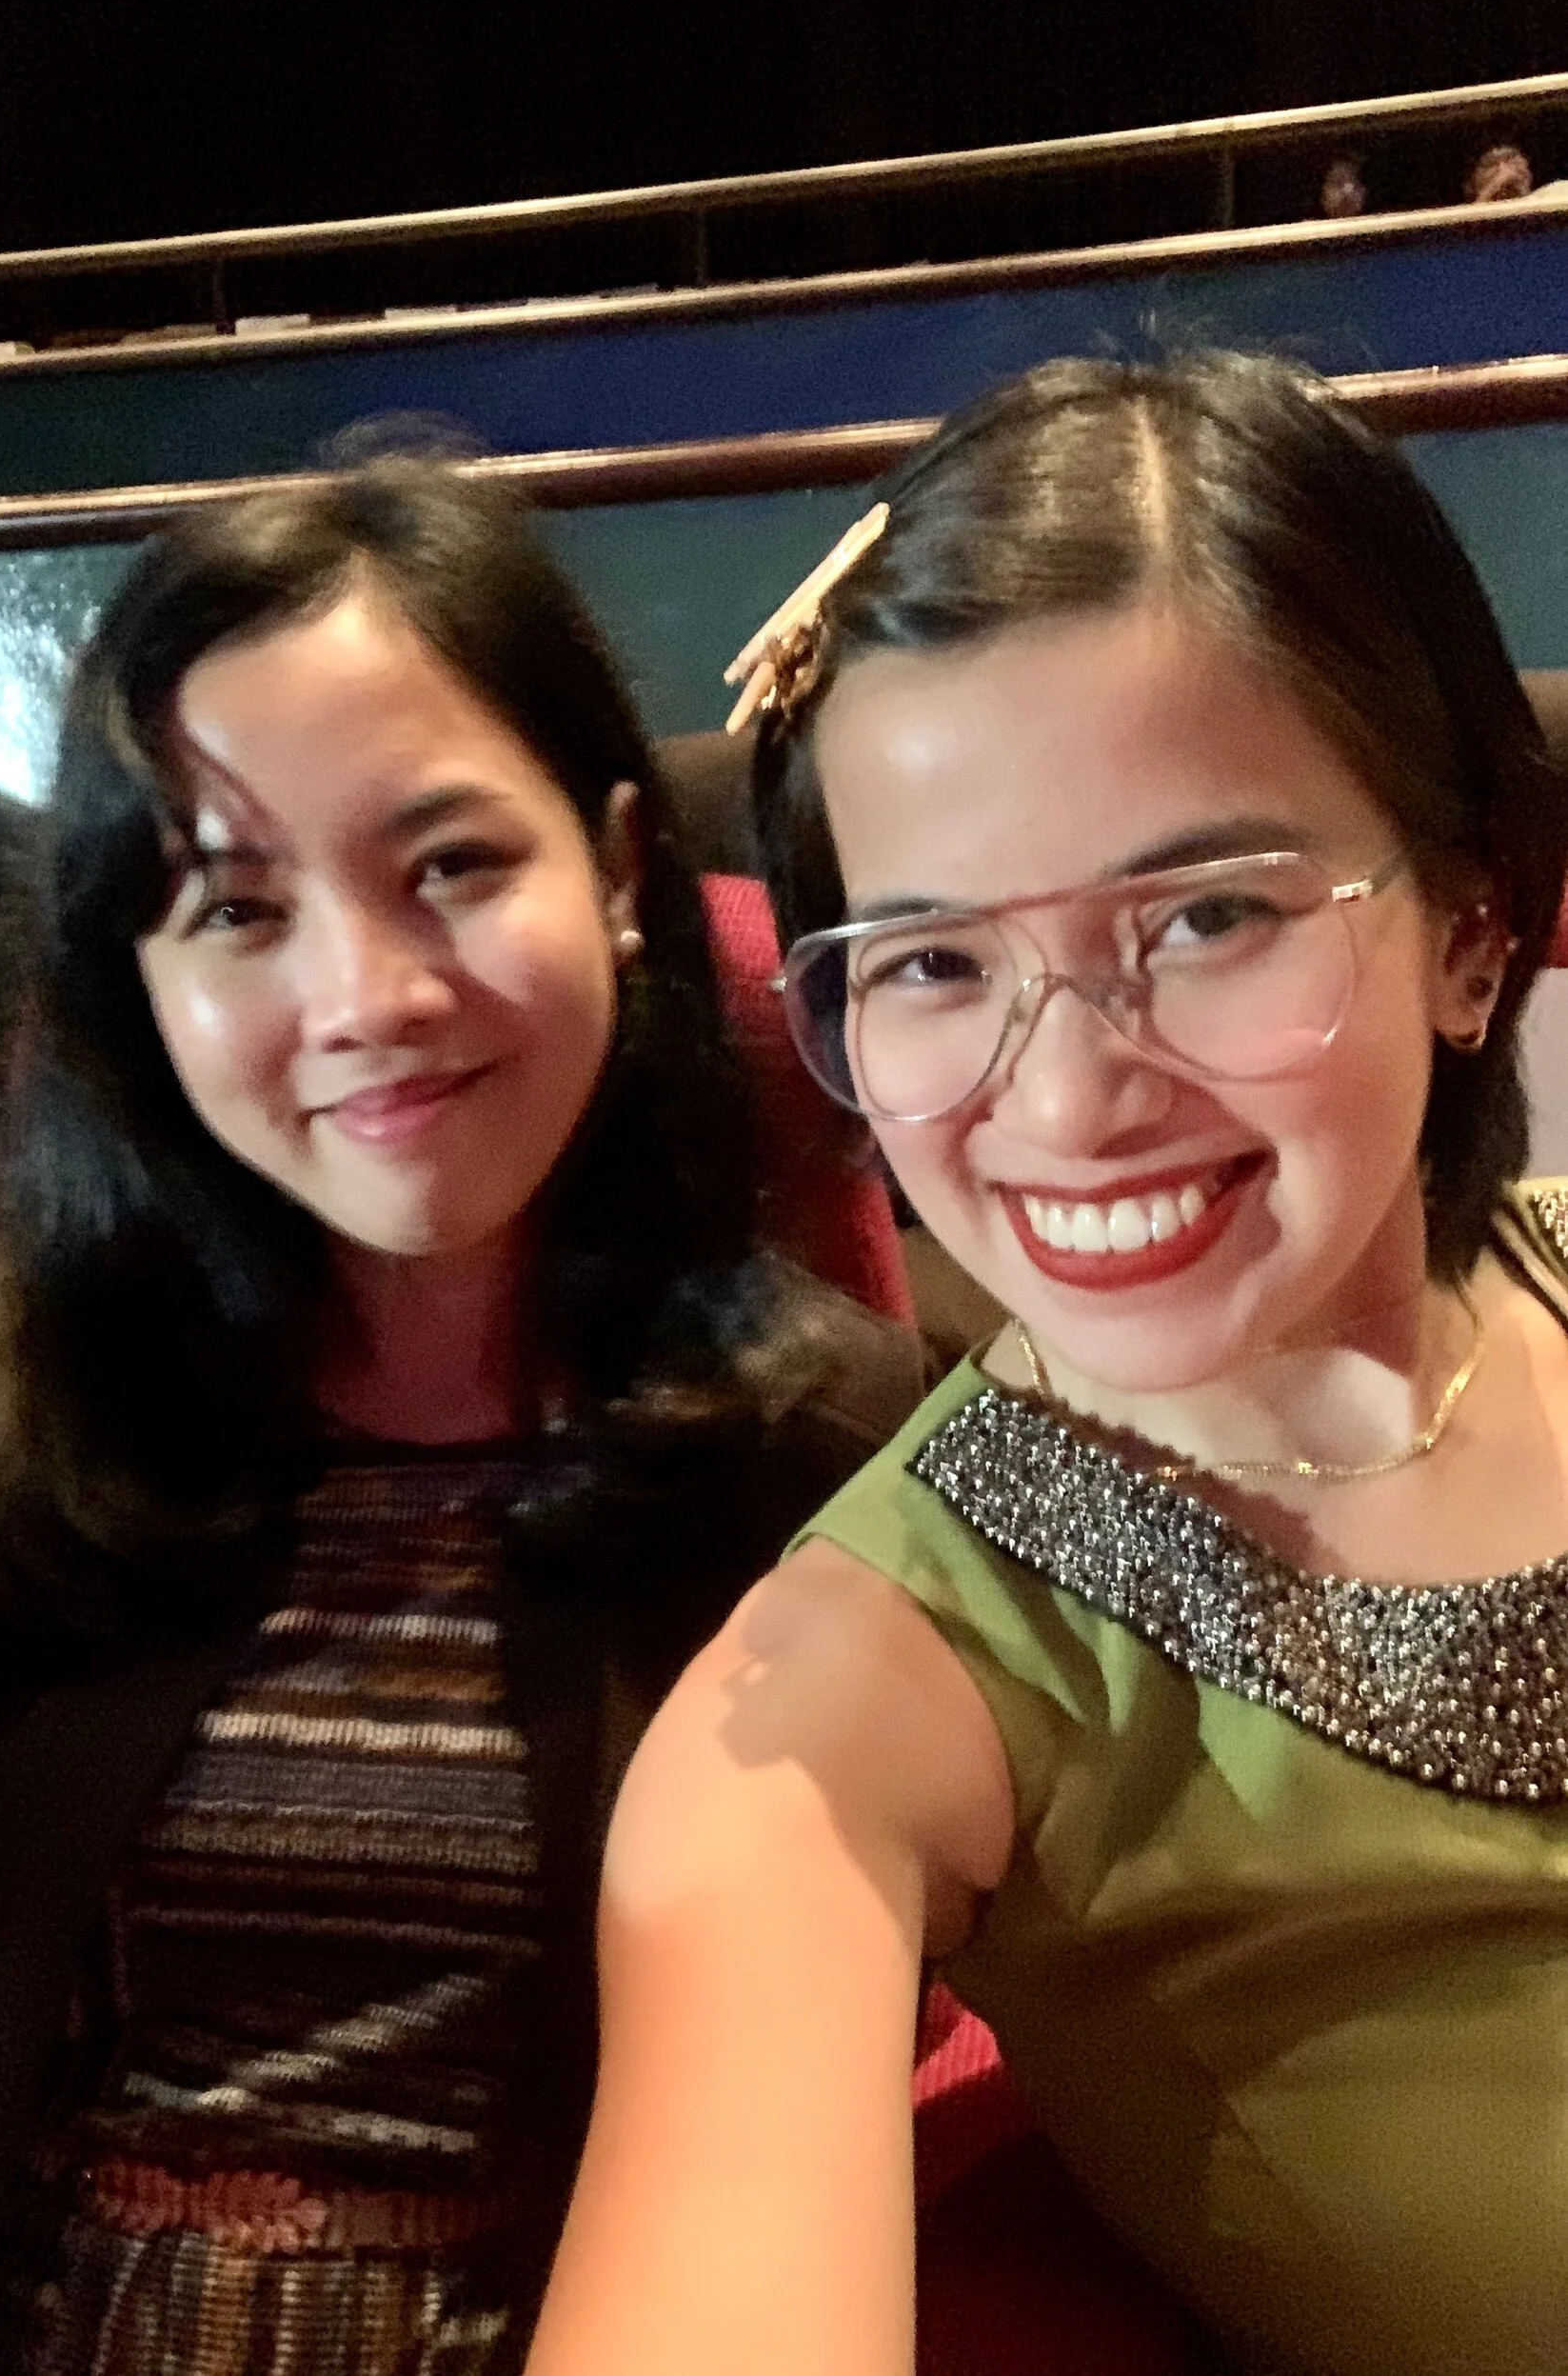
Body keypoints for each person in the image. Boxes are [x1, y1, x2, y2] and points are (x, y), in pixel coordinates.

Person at [0, 460, 923, 2376]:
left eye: (453, 865)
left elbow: (813, 2149)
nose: (363, 996)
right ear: (138, 978)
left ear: (618, 870)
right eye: (235, 905)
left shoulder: (811, 1443)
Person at [525, 353, 1568, 2376]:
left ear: (1468, 927)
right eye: (931, 960)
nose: (1070, 1099)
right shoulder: (836, 1705)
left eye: (1206, 917)